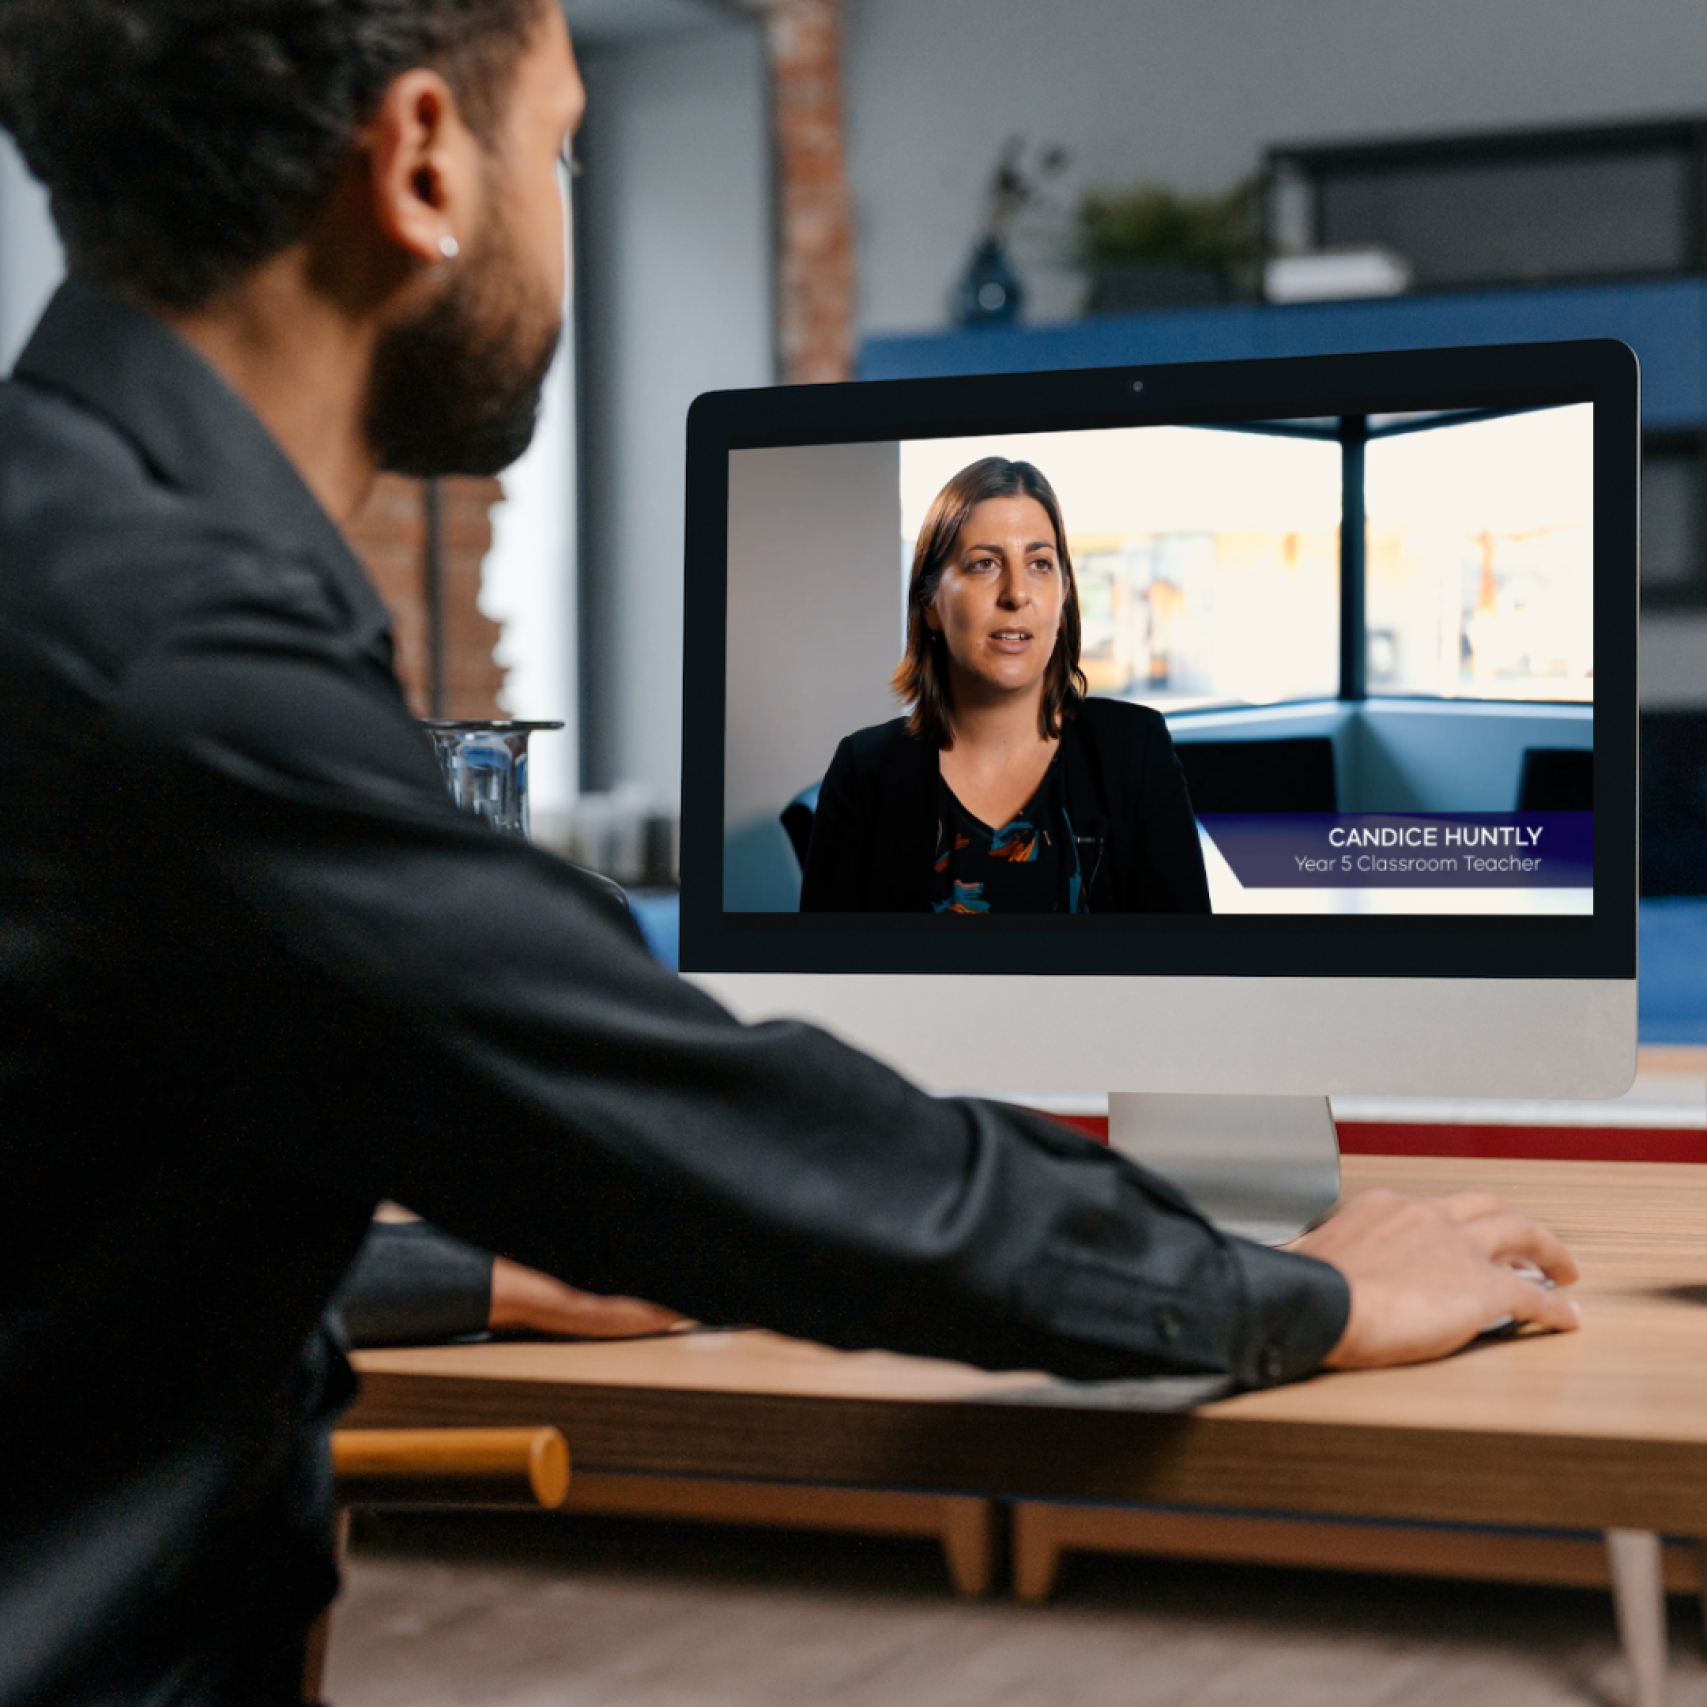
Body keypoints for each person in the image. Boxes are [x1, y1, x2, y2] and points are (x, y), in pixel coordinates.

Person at [0, 3, 1579, 1702]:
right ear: (421, 164)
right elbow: (728, 1139)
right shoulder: (168, 659)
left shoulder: (68, 559)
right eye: (561, 148)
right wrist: (1285, 1290)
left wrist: (469, 1267)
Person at [800, 456, 1211, 914]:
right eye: (984, 564)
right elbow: (825, 978)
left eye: (1039, 563)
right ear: (931, 602)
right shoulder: (863, 774)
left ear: (1064, 593)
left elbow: (1188, 970)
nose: (1017, 593)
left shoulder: (1136, 750)